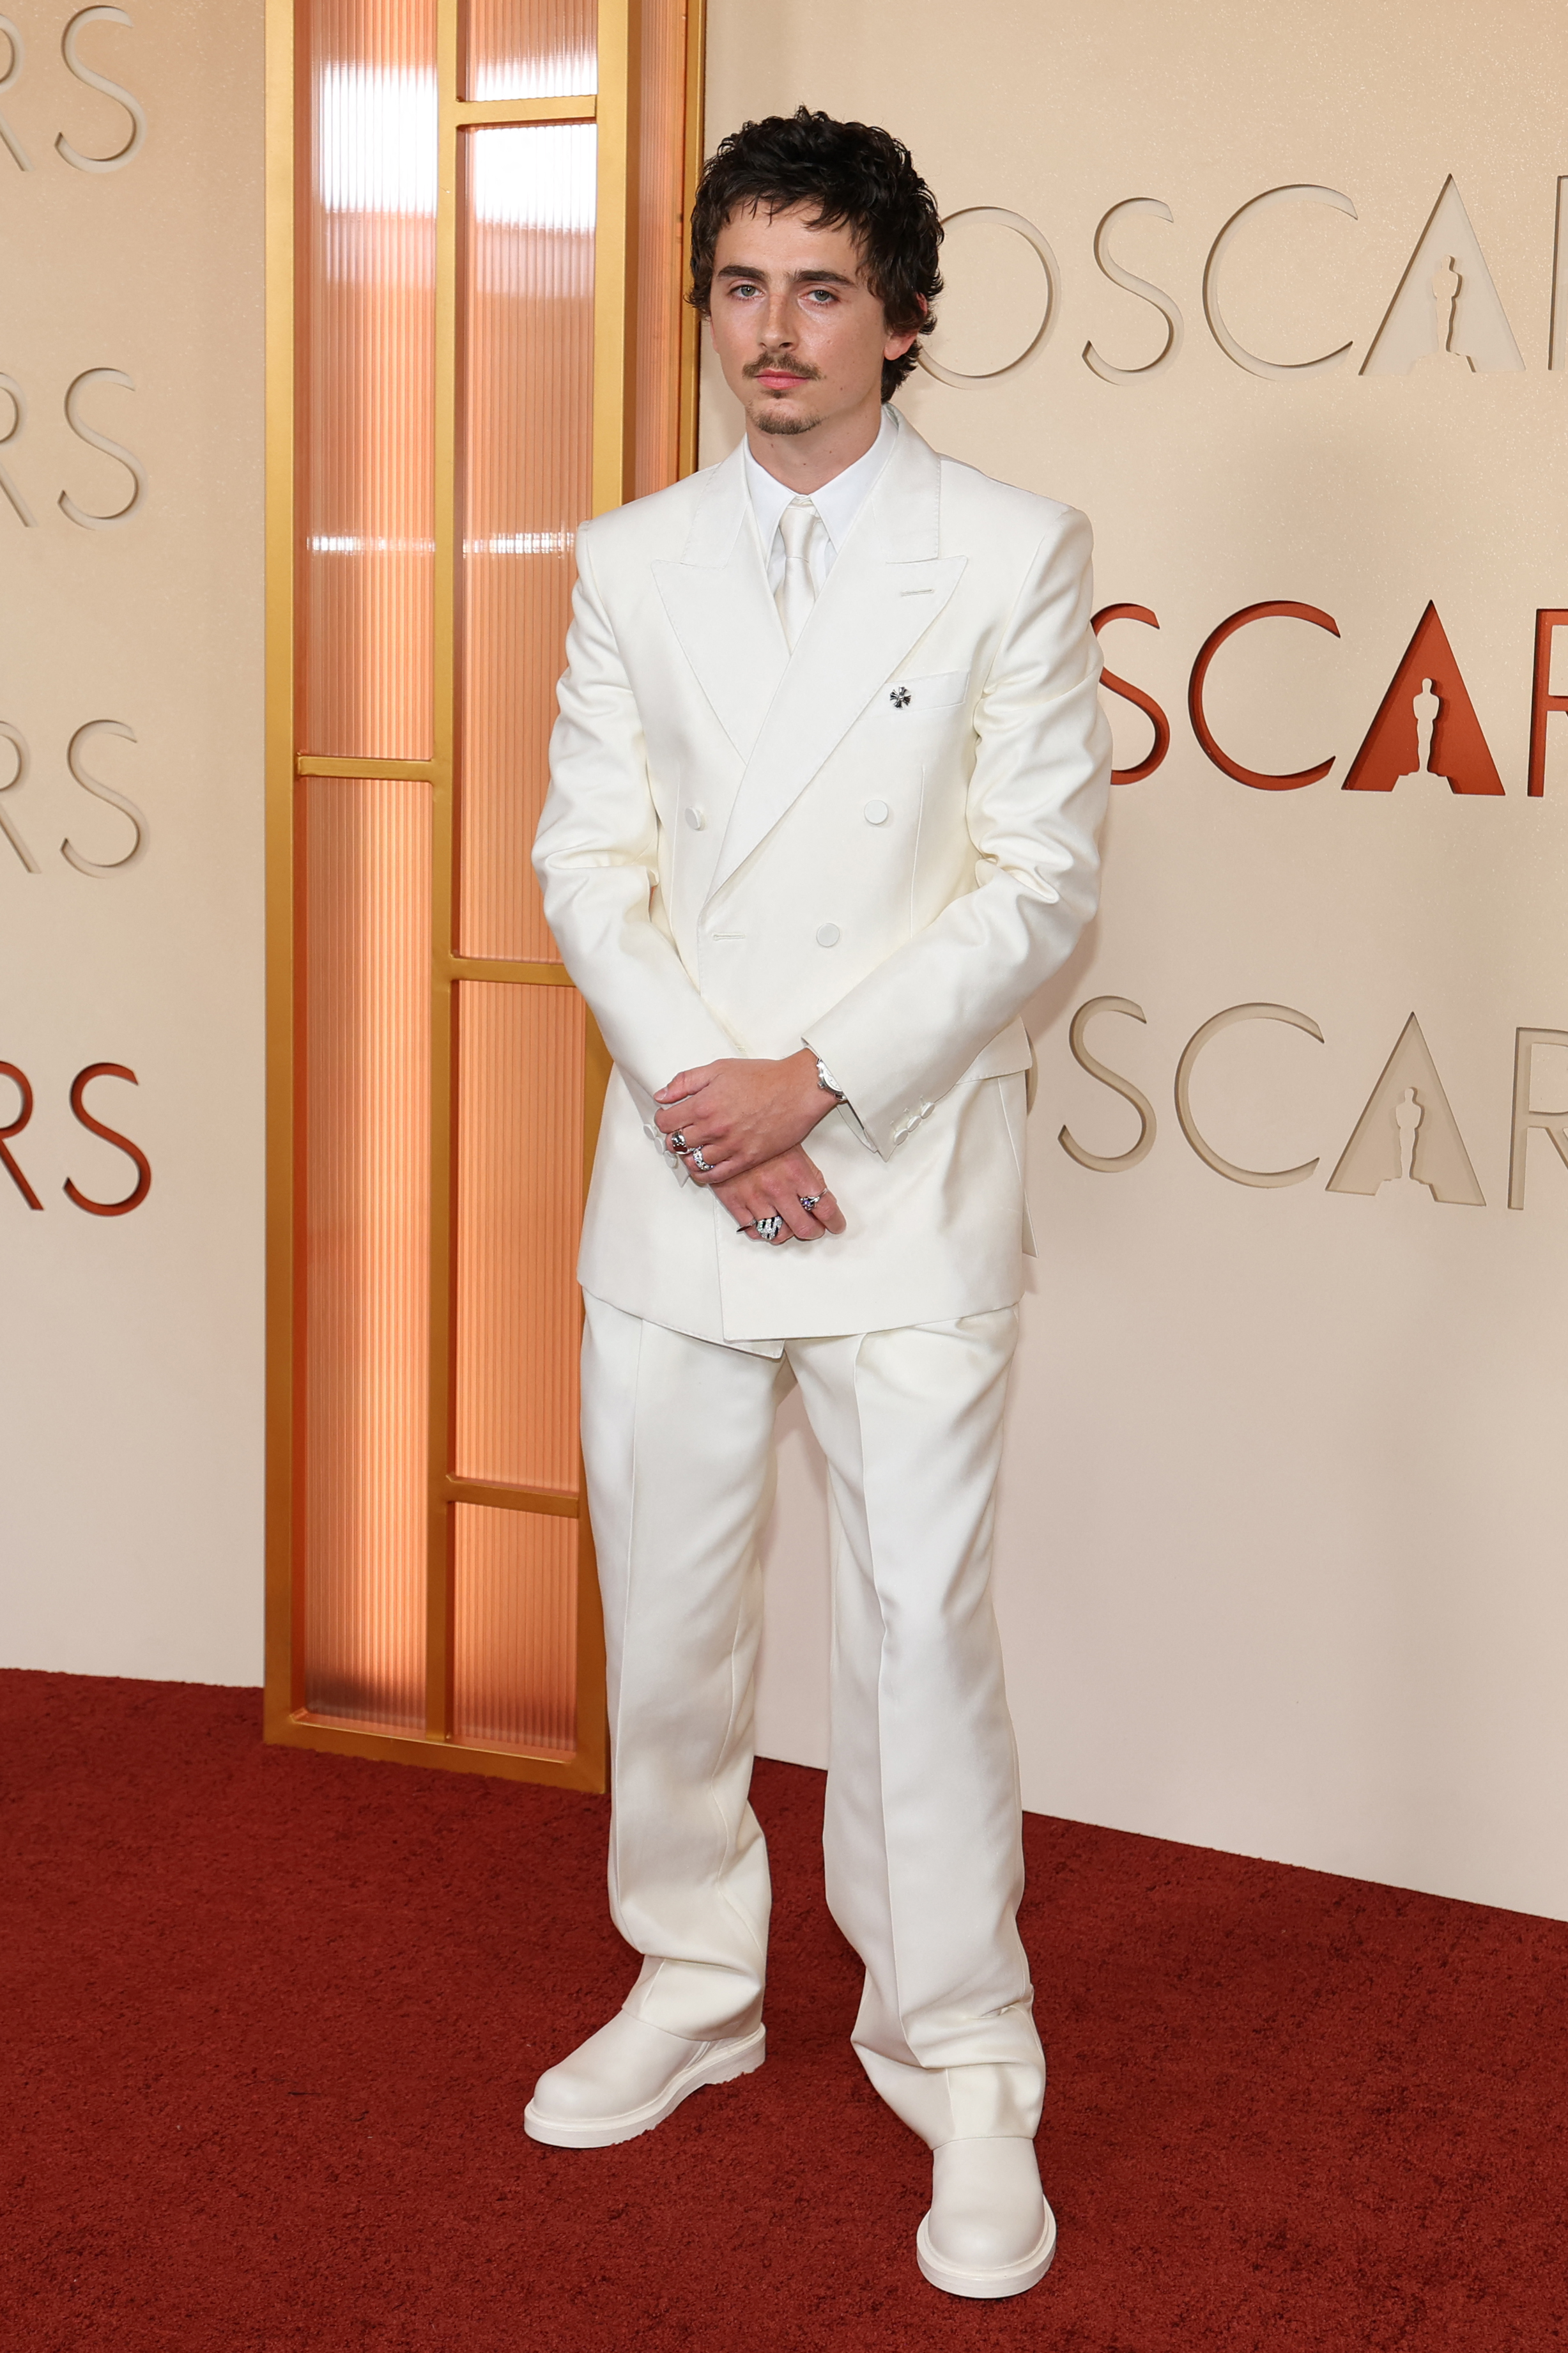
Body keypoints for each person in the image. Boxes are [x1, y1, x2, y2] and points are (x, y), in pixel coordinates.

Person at [527, 106, 1111, 2302]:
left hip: (903, 1177)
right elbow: (591, 861)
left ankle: (960, 2044)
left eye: (823, 286)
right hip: (684, 1180)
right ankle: (694, 1973)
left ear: (903, 317)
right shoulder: (630, 557)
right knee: (670, 1625)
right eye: (743, 285)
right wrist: (714, 1104)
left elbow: (1039, 880)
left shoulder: (1011, 547)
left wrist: (814, 1090)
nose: (776, 330)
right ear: (711, 310)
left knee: (913, 1643)